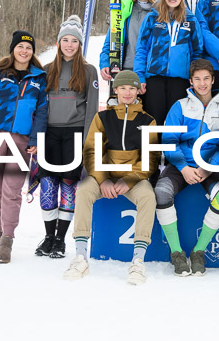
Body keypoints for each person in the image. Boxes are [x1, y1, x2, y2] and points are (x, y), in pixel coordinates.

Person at [63, 70, 159, 285]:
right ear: (115, 90)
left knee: (147, 197)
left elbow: (151, 158)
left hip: (132, 178)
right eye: (123, 88)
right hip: (104, 175)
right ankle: (80, 257)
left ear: (138, 91)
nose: (127, 92)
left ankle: (138, 261)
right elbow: (91, 151)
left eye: (132, 88)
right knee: (84, 190)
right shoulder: (102, 117)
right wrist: (102, 179)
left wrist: (129, 180)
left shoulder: (147, 120)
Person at [0, 31, 48, 263]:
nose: (24, 51)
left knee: (12, 191)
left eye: (29, 48)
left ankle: (7, 241)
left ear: (33, 52)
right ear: (13, 49)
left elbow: (42, 112)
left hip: (21, 140)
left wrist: (36, 140)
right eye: (20, 47)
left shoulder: (39, 78)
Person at [153, 59, 219, 276]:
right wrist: (183, 167)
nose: (202, 83)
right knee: (161, 192)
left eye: (206, 78)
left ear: (213, 80)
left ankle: (199, 252)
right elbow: (168, 140)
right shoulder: (180, 106)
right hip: (181, 166)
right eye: (197, 79)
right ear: (191, 81)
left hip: (209, 168)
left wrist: (208, 168)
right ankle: (177, 253)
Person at [35, 15, 99, 259]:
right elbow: (39, 108)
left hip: (74, 134)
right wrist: (36, 138)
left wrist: (86, 144)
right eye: (66, 40)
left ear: (80, 45)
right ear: (59, 42)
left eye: (75, 41)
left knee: (69, 185)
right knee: (48, 184)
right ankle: (48, 236)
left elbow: (92, 111)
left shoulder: (88, 71)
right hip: (50, 134)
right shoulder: (46, 71)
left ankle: (61, 239)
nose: (70, 45)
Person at [133, 0, 203, 130]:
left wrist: (194, 78)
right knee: (153, 120)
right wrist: (140, 76)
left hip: (180, 79)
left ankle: (173, 153)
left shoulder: (190, 20)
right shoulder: (152, 18)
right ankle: (153, 153)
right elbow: (142, 49)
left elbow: (197, 53)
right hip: (155, 78)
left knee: (175, 121)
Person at [99, 0, 157, 82]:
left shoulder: (159, 10)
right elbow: (111, 38)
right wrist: (105, 61)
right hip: (125, 69)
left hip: (150, 71)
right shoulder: (125, 7)